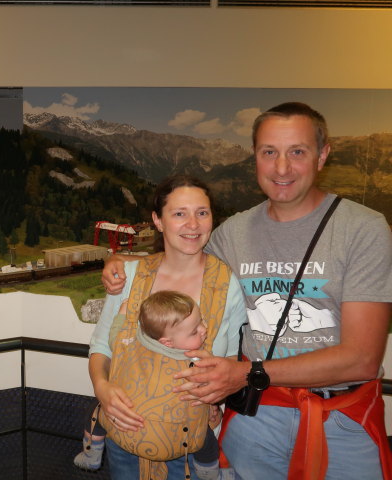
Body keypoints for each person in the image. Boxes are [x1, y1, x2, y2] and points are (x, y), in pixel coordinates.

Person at [102, 102, 392, 479]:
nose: (281, 168)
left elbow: (362, 359)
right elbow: (180, 253)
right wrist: (119, 261)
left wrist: (247, 373)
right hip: (256, 417)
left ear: (322, 156)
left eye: (297, 152)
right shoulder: (232, 234)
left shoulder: (363, 229)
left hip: (340, 422)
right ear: (255, 156)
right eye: (269, 152)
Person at [87, 174, 247, 480]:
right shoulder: (129, 277)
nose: (193, 224)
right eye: (179, 214)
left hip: (193, 443)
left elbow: (233, 359)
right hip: (125, 435)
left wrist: (216, 396)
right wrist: (102, 388)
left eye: (202, 212)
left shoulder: (228, 285)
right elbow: (102, 346)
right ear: (157, 221)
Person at [74, 291, 225, 480]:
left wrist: (122, 314)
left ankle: (91, 452)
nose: (204, 329)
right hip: (179, 436)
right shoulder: (198, 360)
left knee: (95, 411)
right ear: (167, 342)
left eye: (201, 321)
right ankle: (211, 474)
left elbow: (115, 337)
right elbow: (212, 388)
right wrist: (212, 404)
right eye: (195, 331)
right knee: (205, 438)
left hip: (126, 428)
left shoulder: (130, 345)